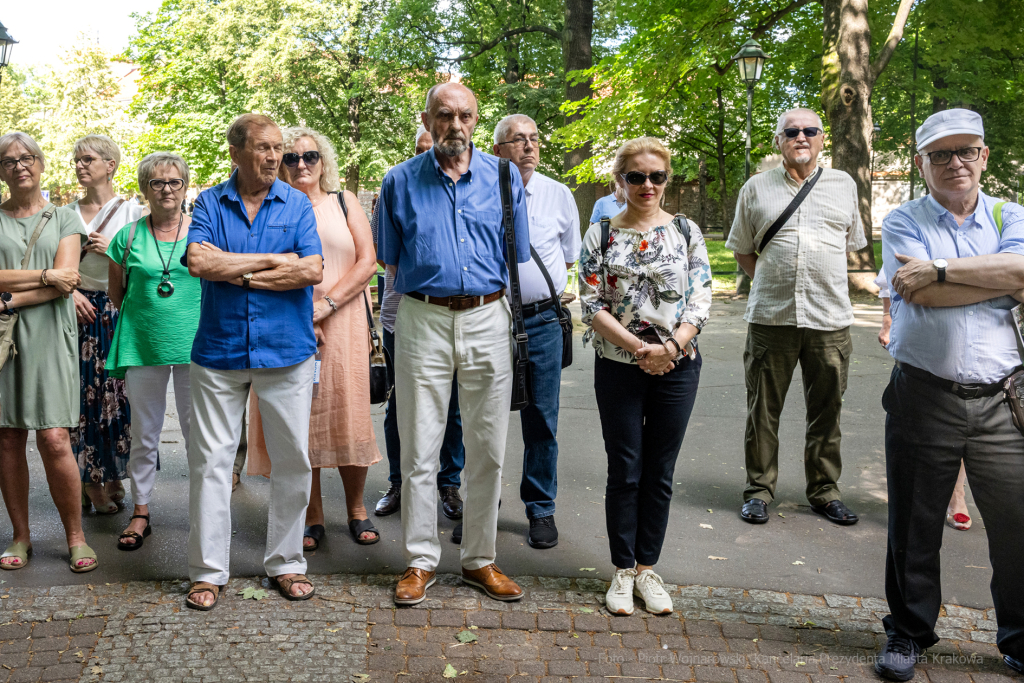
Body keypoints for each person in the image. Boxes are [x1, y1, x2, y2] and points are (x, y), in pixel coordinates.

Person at [874, 108, 1024, 681]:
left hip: (1005, 399)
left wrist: (937, 271)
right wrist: (1000, 277)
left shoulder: (1011, 214)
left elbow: (1015, 272)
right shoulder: (901, 220)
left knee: (1016, 524)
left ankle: (1019, 636)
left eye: (966, 151)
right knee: (915, 523)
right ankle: (909, 634)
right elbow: (919, 299)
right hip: (924, 394)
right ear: (922, 163)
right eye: (940, 154)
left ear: (984, 155)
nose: (954, 162)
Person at [377, 82, 530, 605]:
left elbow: (520, 250)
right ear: (427, 119)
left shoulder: (505, 177)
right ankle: (420, 561)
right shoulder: (398, 181)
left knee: (488, 446)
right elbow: (390, 259)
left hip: (489, 315)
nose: (456, 125)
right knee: (419, 444)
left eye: (466, 114)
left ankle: (479, 558)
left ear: (476, 118)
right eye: (445, 115)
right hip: (422, 316)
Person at [181, 113, 324, 610]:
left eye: (277, 148)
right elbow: (199, 262)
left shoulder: (298, 203)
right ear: (236, 151)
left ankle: (286, 563)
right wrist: (268, 262)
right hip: (219, 351)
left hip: (286, 351)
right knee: (211, 463)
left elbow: (310, 268)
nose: (274, 157)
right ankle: (207, 571)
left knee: (291, 461)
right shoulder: (208, 202)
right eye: (263, 148)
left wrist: (235, 269)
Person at [579, 136, 711, 616]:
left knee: (660, 470)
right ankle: (621, 569)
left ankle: (647, 569)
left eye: (656, 176)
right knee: (626, 467)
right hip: (619, 365)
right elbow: (591, 303)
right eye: (636, 176)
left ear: (666, 179)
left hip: (677, 365)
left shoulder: (685, 230)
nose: (647, 185)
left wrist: (671, 347)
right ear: (620, 180)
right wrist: (639, 348)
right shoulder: (601, 234)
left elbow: (701, 296)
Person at [726, 107, 866, 526]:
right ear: (779, 141)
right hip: (772, 318)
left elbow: (849, 244)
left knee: (827, 412)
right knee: (762, 413)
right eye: (792, 131)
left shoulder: (844, 185)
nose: (801, 137)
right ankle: (758, 491)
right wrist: (773, 280)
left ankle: (824, 491)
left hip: (830, 320)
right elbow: (742, 248)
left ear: (823, 139)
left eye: (810, 131)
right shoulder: (755, 188)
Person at [245, 127, 382, 548]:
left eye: (309, 156)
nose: (301, 164)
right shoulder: (271, 207)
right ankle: (314, 513)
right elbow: (262, 267)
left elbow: (367, 261)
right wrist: (305, 310)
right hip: (288, 322)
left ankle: (357, 509)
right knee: (299, 421)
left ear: (324, 161)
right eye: (290, 158)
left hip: (343, 323)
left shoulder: (345, 202)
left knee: (348, 414)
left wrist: (328, 305)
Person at [0, 131, 98, 573]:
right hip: (4, 343)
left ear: (41, 164)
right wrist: (45, 277)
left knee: (55, 438)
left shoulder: (64, 218)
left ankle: (76, 536)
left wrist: (7, 298)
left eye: (27, 157)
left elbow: (70, 278)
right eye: (8, 160)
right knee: (6, 438)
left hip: (50, 337)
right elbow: (55, 278)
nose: (19, 165)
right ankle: (21, 536)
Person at [105, 152, 201, 551]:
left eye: (174, 182)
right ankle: (141, 510)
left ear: (185, 187)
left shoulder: (203, 231)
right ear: (145, 188)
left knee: (201, 434)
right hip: (143, 344)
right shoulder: (126, 237)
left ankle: (203, 511)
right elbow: (117, 292)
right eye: (157, 183)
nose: (166, 189)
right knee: (145, 433)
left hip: (196, 344)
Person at [492, 114, 579, 549]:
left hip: (542, 321)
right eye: (517, 140)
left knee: (542, 418)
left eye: (534, 139)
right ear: (497, 150)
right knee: (482, 419)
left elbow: (566, 260)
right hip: (488, 320)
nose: (528, 147)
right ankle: (481, 508)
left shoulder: (558, 195)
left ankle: (540, 509)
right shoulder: (479, 190)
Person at [372, 125, 466, 521]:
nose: (429, 155)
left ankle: (449, 484)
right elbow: (383, 257)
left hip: (456, 320)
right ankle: (399, 481)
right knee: (400, 407)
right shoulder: (398, 186)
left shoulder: (461, 189)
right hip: (401, 316)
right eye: (421, 149)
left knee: (455, 408)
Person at [68, 135, 146, 514]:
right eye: (77, 160)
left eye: (88, 159)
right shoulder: (66, 214)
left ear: (110, 164)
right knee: (84, 398)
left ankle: (115, 475)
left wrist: (115, 250)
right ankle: (90, 481)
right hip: (79, 310)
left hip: (119, 309)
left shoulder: (133, 213)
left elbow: (148, 267)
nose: (80, 165)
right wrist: (69, 294)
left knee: (120, 398)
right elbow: (56, 267)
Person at [874, 271, 972, 531]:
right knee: (925, 422)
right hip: (924, 341)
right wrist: (887, 318)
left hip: (987, 340)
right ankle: (922, 497)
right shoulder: (915, 229)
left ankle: (956, 494)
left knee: (970, 416)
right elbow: (894, 276)